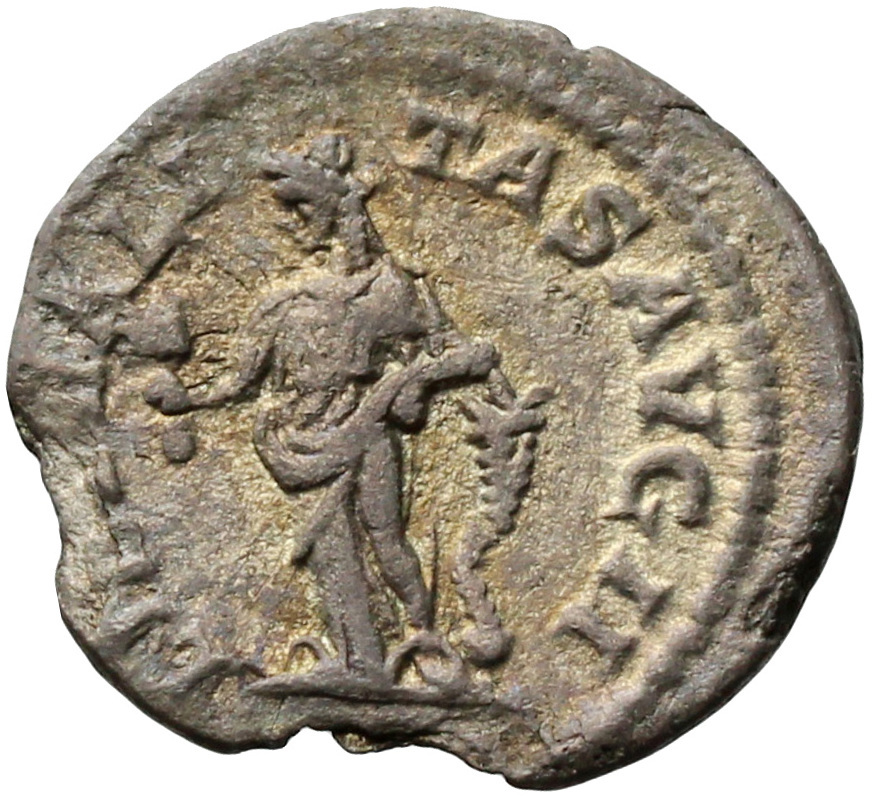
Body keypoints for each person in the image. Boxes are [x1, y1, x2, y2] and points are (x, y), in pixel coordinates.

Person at [147, 135, 498, 685]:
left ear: (336, 215)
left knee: (387, 541)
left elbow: (438, 357)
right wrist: (188, 399)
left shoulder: (388, 290)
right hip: (296, 438)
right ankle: (362, 661)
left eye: (300, 211)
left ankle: (426, 640)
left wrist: (423, 376)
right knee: (329, 551)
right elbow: (242, 379)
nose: (289, 224)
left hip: (368, 426)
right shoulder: (284, 303)